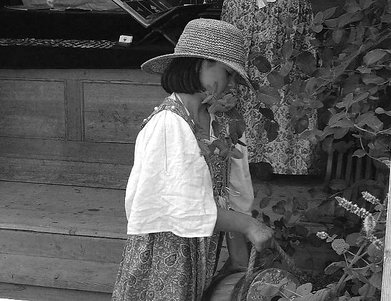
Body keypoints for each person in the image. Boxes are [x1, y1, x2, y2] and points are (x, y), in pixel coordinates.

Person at [111, 18, 274, 301]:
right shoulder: (168, 125)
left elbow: (234, 193)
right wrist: (249, 226)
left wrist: (238, 258)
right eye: (228, 72)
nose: (230, 83)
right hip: (165, 252)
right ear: (203, 63)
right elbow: (183, 206)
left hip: (200, 250)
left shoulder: (221, 123)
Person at [221, 0, 320, 175]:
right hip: (241, 78)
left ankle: (274, 163)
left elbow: (306, 46)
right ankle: (241, 160)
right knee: (239, 112)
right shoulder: (234, 3)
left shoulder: (296, 4)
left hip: (280, 78)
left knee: (277, 112)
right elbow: (224, 44)